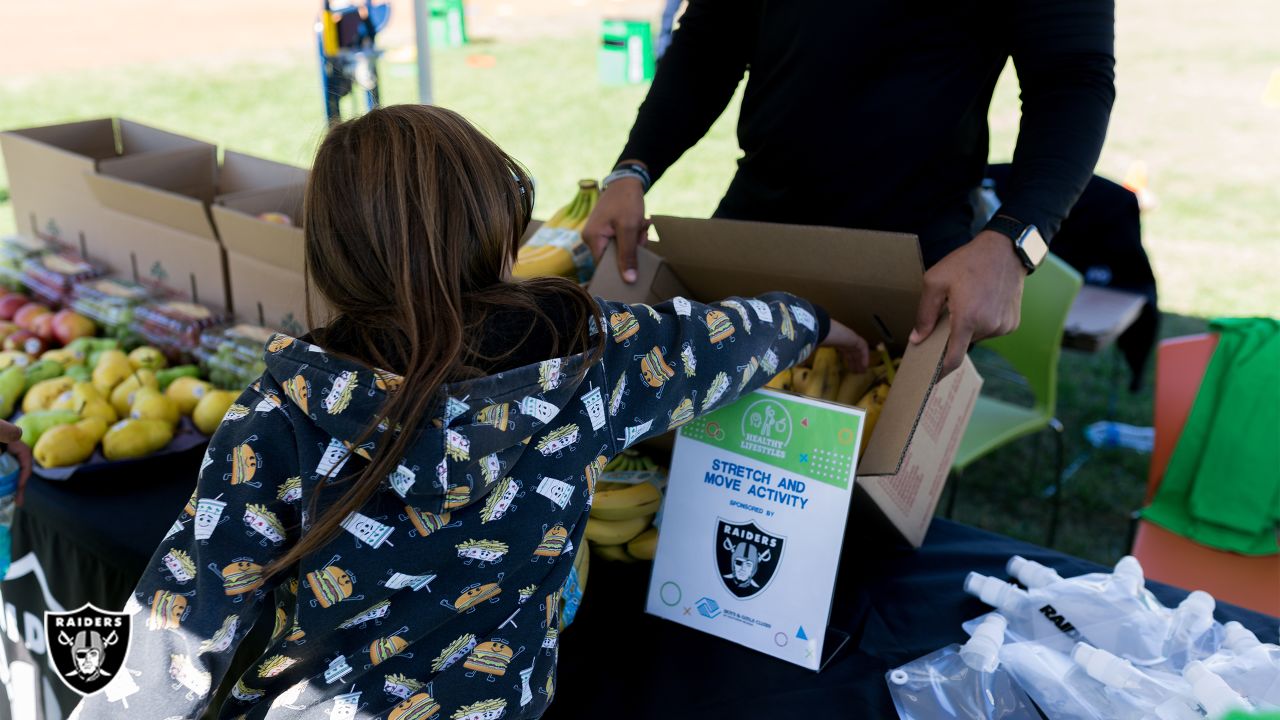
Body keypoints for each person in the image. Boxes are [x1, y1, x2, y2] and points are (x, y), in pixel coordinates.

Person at [73, 104, 868, 719]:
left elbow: (171, 636)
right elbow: (722, 341)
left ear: (332, 258)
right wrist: (812, 322)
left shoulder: (276, 419)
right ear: (500, 228)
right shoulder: (598, 362)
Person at [585, 0, 1117, 376]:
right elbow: (714, 34)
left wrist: (1014, 241)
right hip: (751, 234)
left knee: (862, 520)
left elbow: (1073, 76)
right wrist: (633, 168)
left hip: (909, 266)